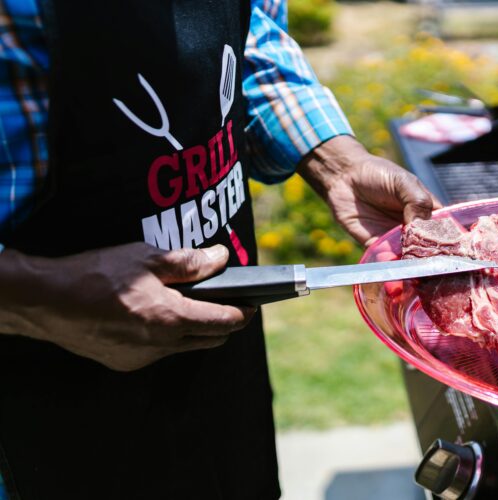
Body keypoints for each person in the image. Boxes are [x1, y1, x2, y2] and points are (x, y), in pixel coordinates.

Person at [0, 0, 438, 498]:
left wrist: (336, 163)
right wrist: (40, 298)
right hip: (46, 417)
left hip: (225, 382)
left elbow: (252, 45)